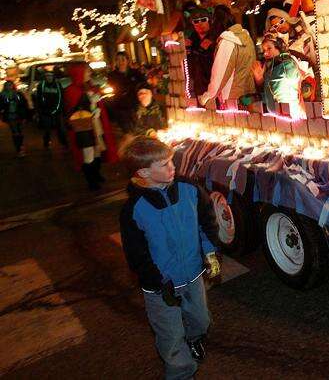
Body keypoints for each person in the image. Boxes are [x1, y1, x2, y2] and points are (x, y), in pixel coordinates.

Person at [119, 136, 220, 380]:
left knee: (201, 320)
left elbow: (206, 221)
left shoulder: (189, 189)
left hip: (193, 275)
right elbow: (136, 254)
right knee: (171, 337)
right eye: (164, 164)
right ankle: (182, 373)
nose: (172, 167)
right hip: (161, 286)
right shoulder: (134, 209)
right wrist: (155, 281)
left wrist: (209, 252)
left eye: (171, 161)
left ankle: (194, 339)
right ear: (143, 171)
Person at [64, 63, 118, 190]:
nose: (89, 73)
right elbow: (74, 111)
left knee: (97, 151)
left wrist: (96, 105)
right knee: (88, 153)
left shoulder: (90, 86)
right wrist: (91, 104)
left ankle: (96, 174)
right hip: (84, 128)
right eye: (87, 71)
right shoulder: (71, 90)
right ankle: (91, 181)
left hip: (96, 125)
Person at [198, 5, 256, 109]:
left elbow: (220, 74)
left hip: (232, 98)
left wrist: (207, 96)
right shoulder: (247, 38)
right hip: (248, 95)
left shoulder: (228, 42)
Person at [251, 33, 304, 118]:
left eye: (269, 48)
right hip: (276, 117)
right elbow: (268, 93)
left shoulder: (287, 64)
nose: (265, 54)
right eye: (264, 50)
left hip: (290, 116)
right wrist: (260, 80)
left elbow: (294, 89)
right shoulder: (270, 68)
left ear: (279, 47)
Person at [183, 3, 218, 99]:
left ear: (209, 20)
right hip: (198, 87)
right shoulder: (191, 41)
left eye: (203, 20)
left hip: (215, 86)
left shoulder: (217, 38)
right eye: (196, 21)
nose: (200, 24)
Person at [107, 52, 146, 131]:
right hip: (121, 106)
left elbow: (143, 85)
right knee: (127, 130)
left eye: (123, 59)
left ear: (127, 61)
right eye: (118, 60)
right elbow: (112, 89)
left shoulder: (135, 73)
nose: (120, 62)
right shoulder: (112, 75)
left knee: (139, 128)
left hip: (135, 104)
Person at [33, 70, 68, 148]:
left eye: (50, 76)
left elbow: (60, 97)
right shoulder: (41, 85)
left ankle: (63, 143)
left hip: (57, 110)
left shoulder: (57, 85)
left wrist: (57, 109)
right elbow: (39, 98)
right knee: (47, 128)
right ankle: (46, 143)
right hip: (45, 111)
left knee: (60, 127)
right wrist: (40, 110)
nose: (49, 77)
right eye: (47, 76)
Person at [0, 80, 31, 156]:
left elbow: (24, 104)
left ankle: (20, 146)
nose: (9, 87)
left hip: (18, 114)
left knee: (19, 131)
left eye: (10, 85)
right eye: (7, 85)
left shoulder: (18, 94)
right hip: (10, 115)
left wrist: (25, 115)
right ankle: (19, 148)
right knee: (15, 131)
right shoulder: (2, 95)